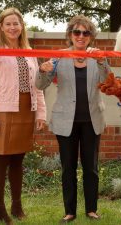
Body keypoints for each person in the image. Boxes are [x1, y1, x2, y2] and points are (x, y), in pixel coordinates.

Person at [36, 15, 110, 224]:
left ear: (91, 37)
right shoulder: (59, 57)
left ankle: (91, 210)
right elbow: (41, 85)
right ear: (70, 35)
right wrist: (42, 70)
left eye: (86, 33)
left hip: (92, 120)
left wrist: (102, 61)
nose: (81, 36)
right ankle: (70, 212)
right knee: (68, 168)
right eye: (77, 32)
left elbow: (108, 82)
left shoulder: (98, 57)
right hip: (64, 122)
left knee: (91, 168)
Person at [0, 7, 46, 224]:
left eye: (16, 23)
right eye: (7, 24)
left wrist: (41, 113)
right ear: (1, 26)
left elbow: (37, 86)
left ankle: (17, 205)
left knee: (18, 160)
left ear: (22, 26)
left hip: (27, 108)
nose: (12, 27)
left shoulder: (29, 51)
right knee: (0, 160)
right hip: (3, 110)